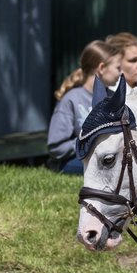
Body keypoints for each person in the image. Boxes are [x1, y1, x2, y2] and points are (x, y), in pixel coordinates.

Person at [47, 40, 121, 173]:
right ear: (102, 68)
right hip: (73, 160)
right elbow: (56, 148)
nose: (120, 73)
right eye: (117, 68)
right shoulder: (71, 99)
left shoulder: (114, 98)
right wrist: (87, 140)